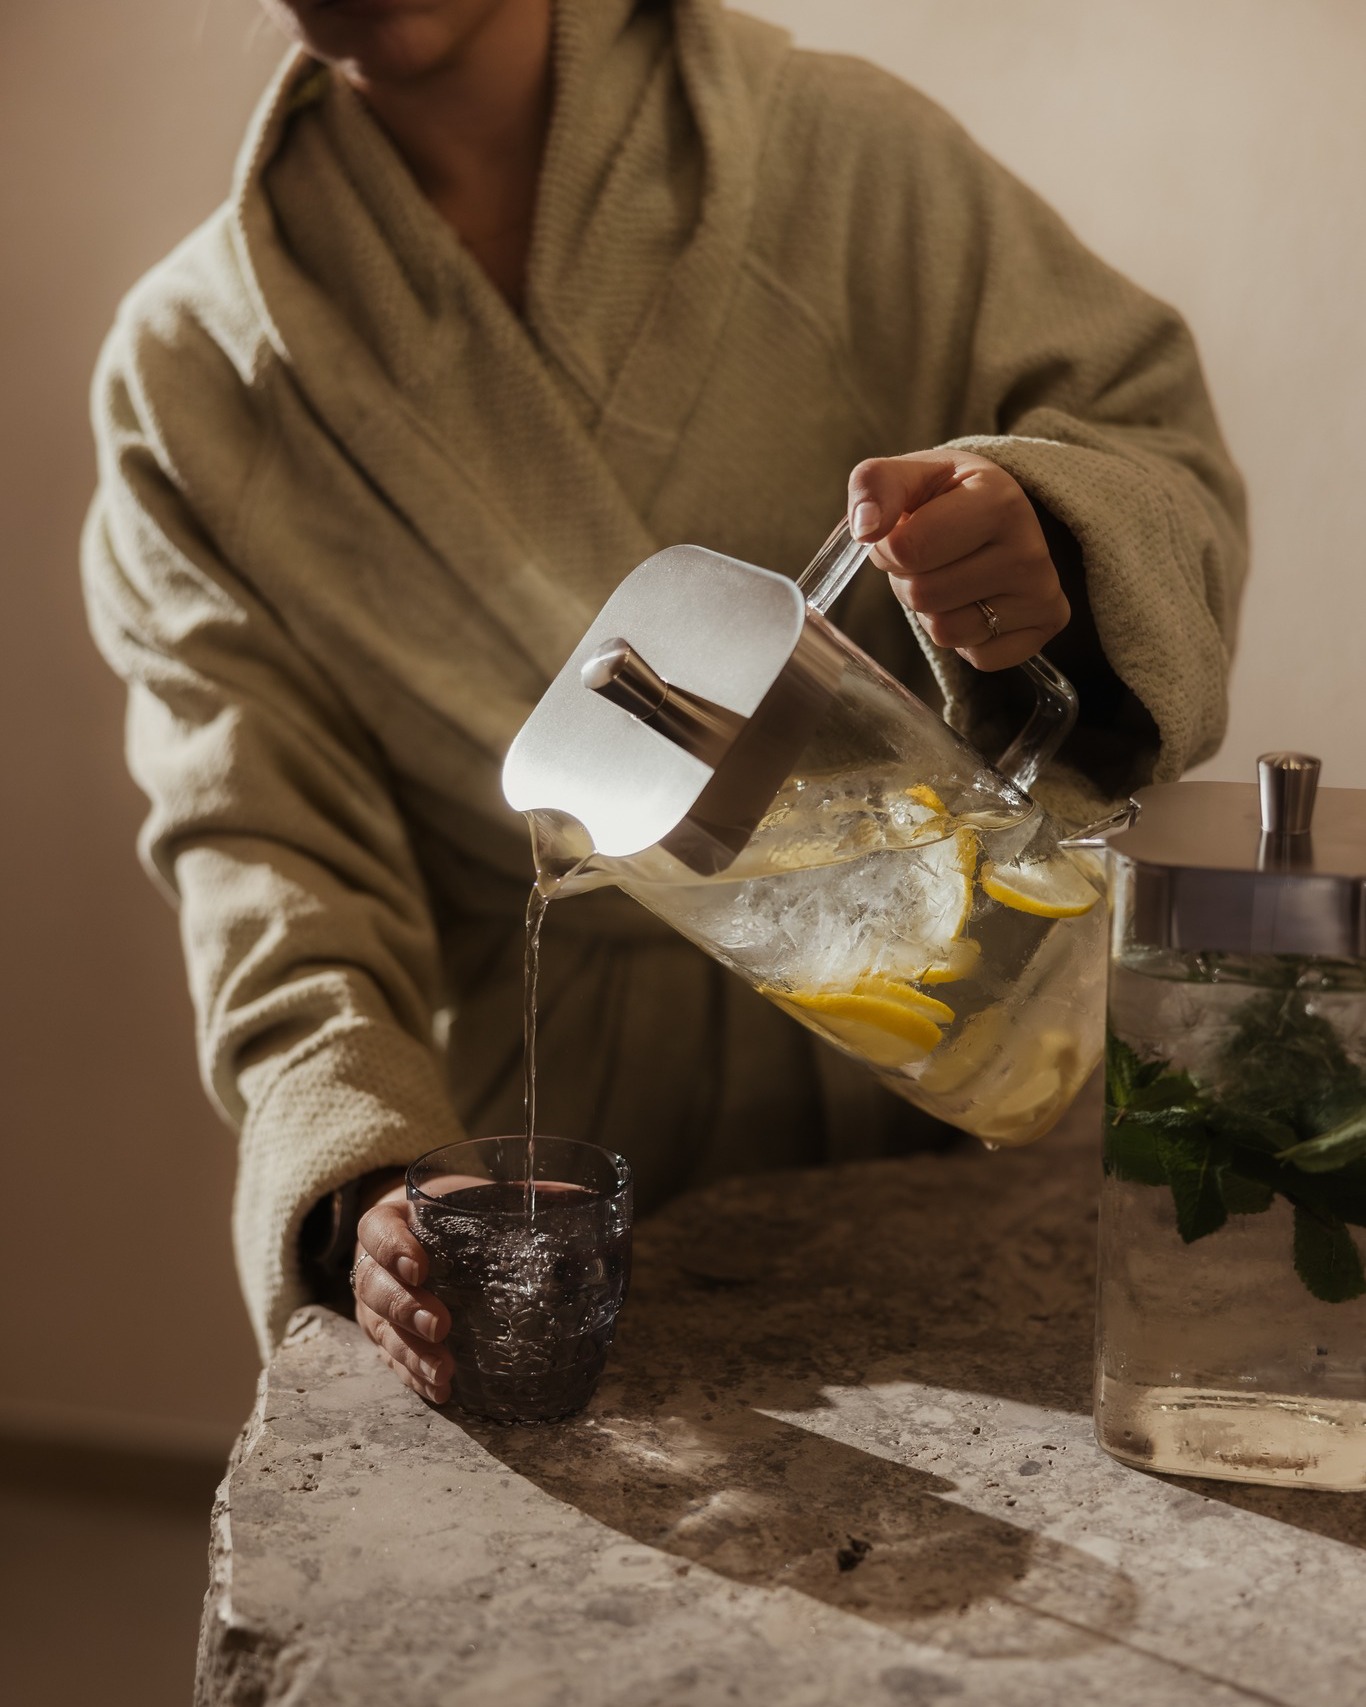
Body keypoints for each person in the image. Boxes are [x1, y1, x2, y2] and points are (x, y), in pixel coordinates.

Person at [82, 0, 1245, 1405]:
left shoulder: (838, 154)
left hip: (959, 1062)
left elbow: (1145, 444)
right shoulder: (191, 377)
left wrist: (1040, 537)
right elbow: (263, 851)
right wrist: (366, 1171)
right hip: (543, 1177)